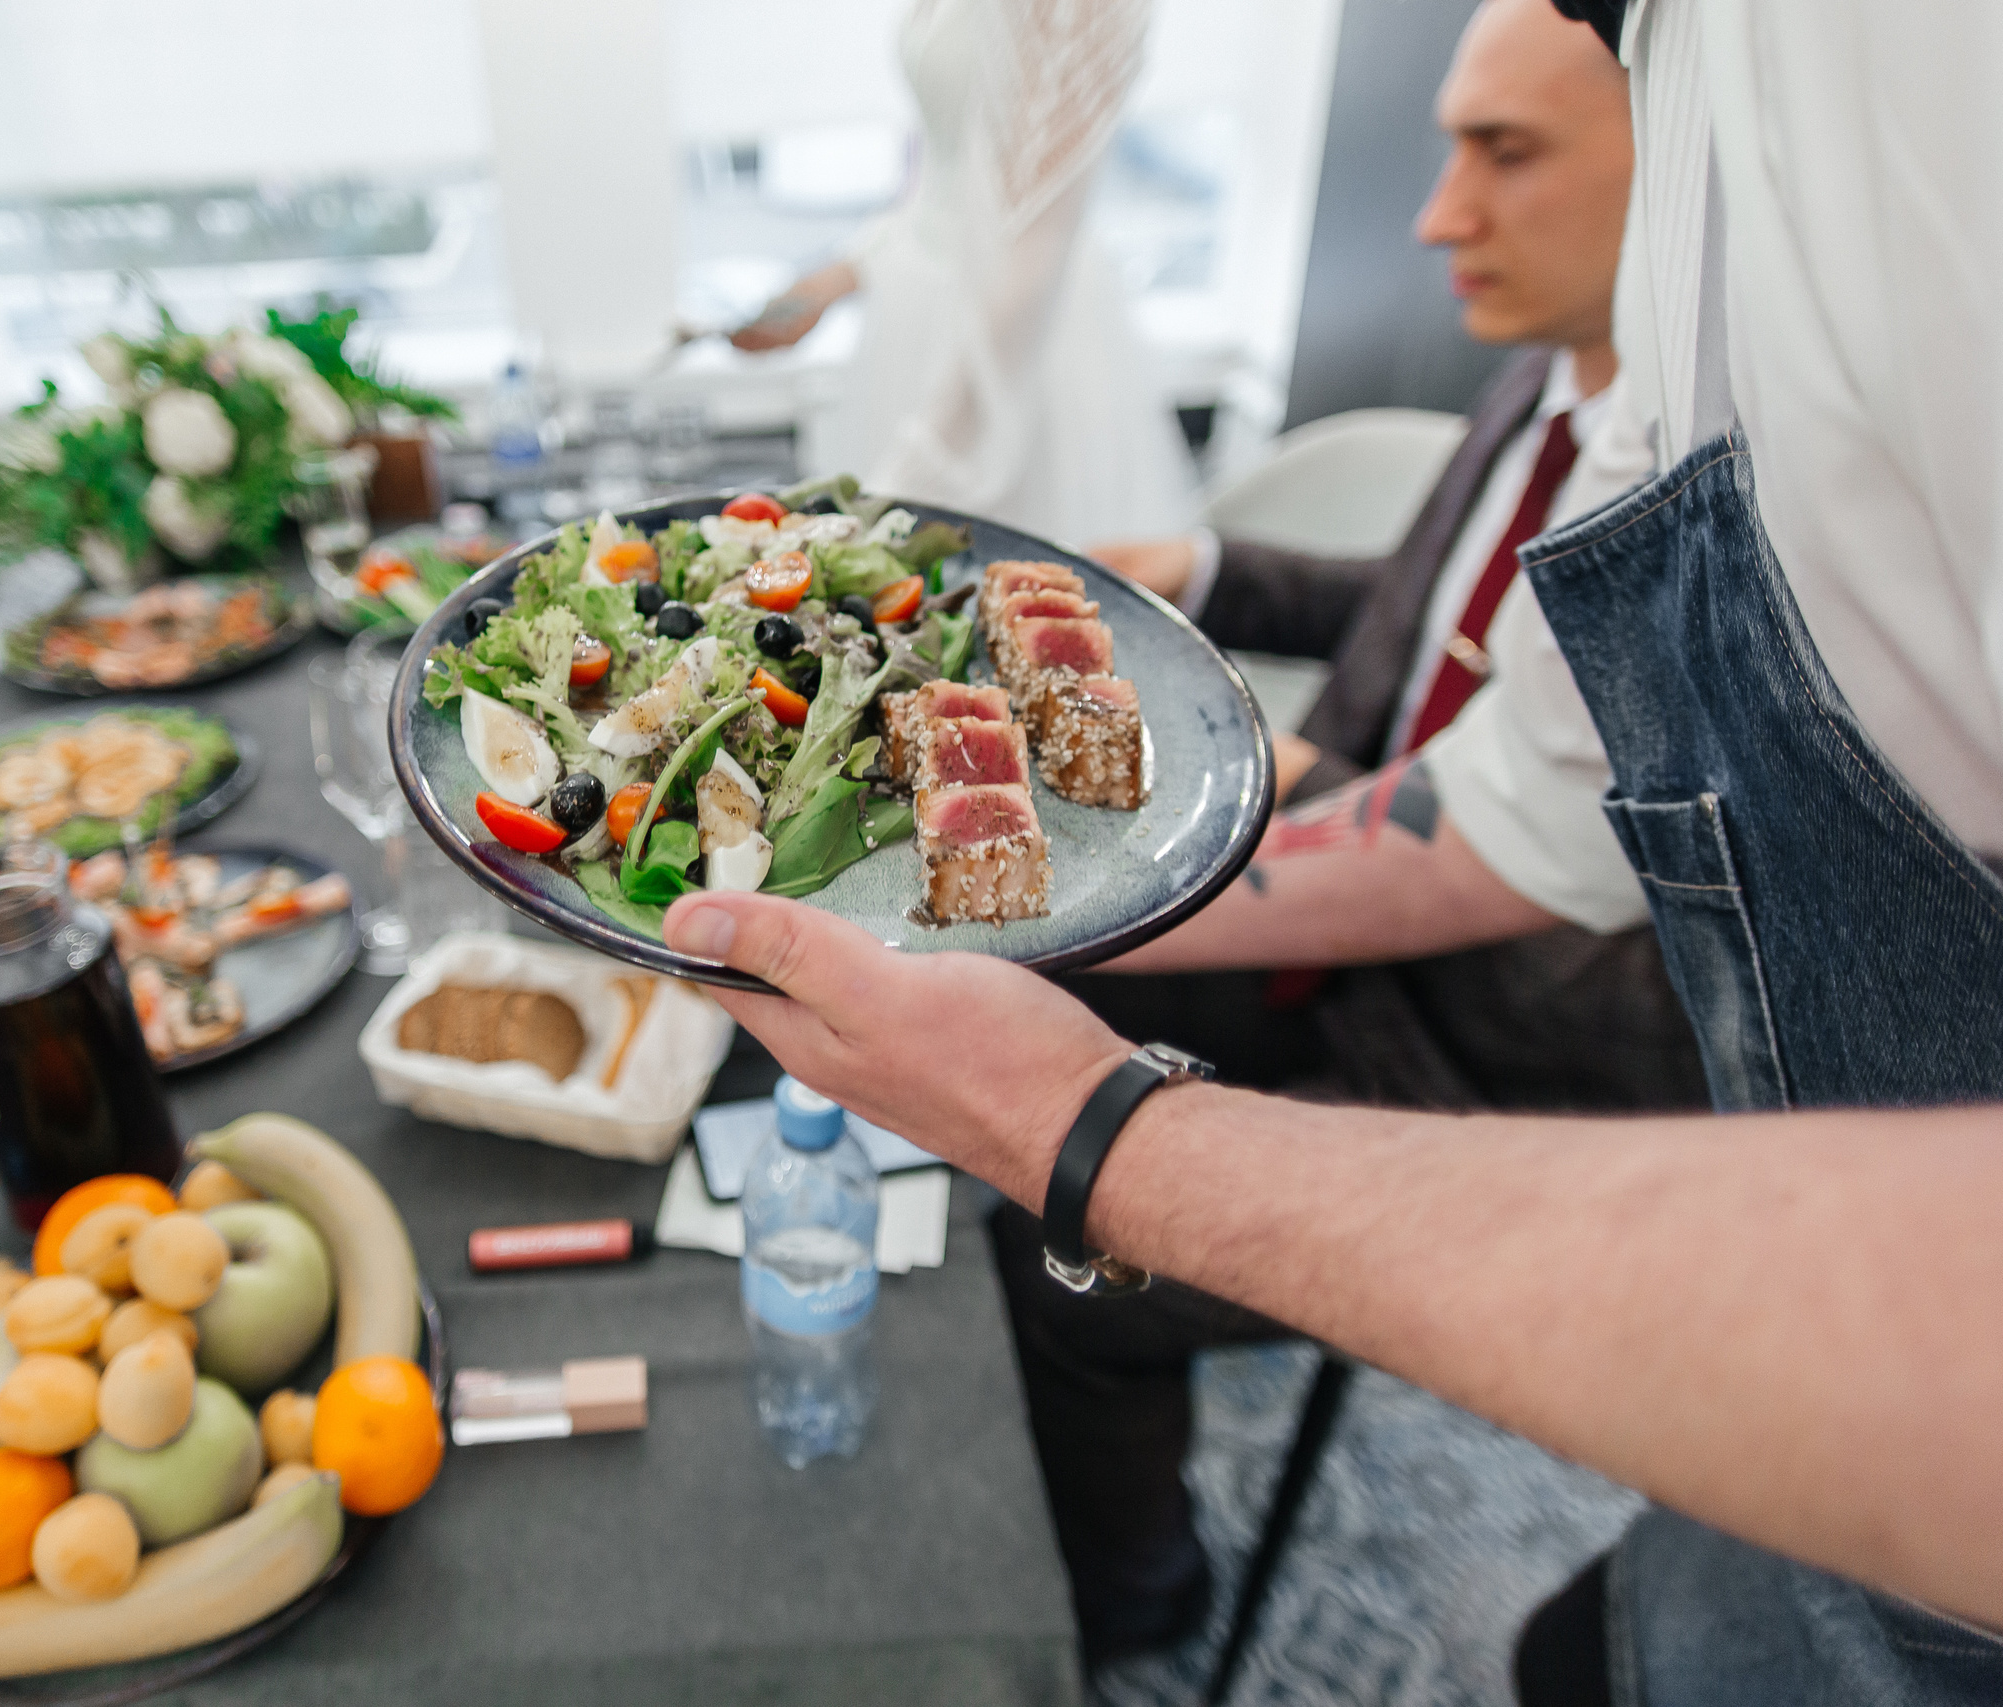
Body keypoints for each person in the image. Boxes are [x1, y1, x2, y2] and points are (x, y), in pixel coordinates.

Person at [659, 0, 2003, 1698]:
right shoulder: (1662, 270)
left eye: (1505, 150)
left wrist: (1093, 1132)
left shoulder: (1916, 87)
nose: (1439, 209)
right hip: (1804, 1476)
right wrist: (1051, 920)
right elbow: (1509, 801)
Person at [982, 1, 1695, 1671]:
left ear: (1688, 164)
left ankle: (1139, 1601)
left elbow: (1641, 946)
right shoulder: (1544, 380)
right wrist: (1212, 569)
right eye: (1448, 144)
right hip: (1342, 913)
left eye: (1504, 154)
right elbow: (1428, 607)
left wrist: (1302, 805)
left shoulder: (1707, 512)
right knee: (1019, 1049)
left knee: (1053, 1249)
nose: (1438, 212)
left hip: (1493, 1066)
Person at [727, 0, 1198, 546]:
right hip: (918, 326)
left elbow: (1029, 249)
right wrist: (838, 278)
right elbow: (950, 178)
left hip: (1009, 353)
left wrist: (915, 475)